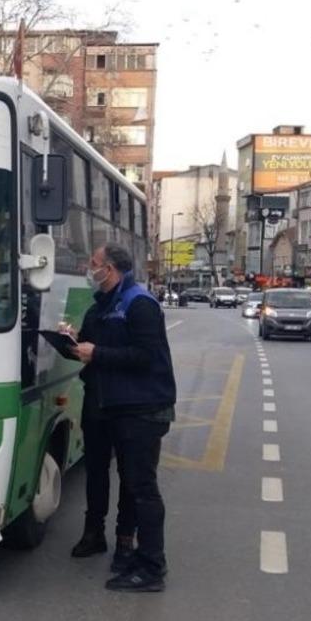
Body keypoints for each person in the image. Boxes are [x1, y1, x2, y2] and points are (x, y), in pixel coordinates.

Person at [67, 243, 177, 593]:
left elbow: (146, 356)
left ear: (111, 269)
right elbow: (90, 345)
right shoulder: (102, 304)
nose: (89, 267)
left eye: (94, 263)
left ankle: (147, 564)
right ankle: (95, 535)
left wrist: (97, 353)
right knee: (98, 472)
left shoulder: (139, 303)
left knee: (139, 486)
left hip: (141, 408)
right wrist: (72, 341)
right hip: (106, 404)